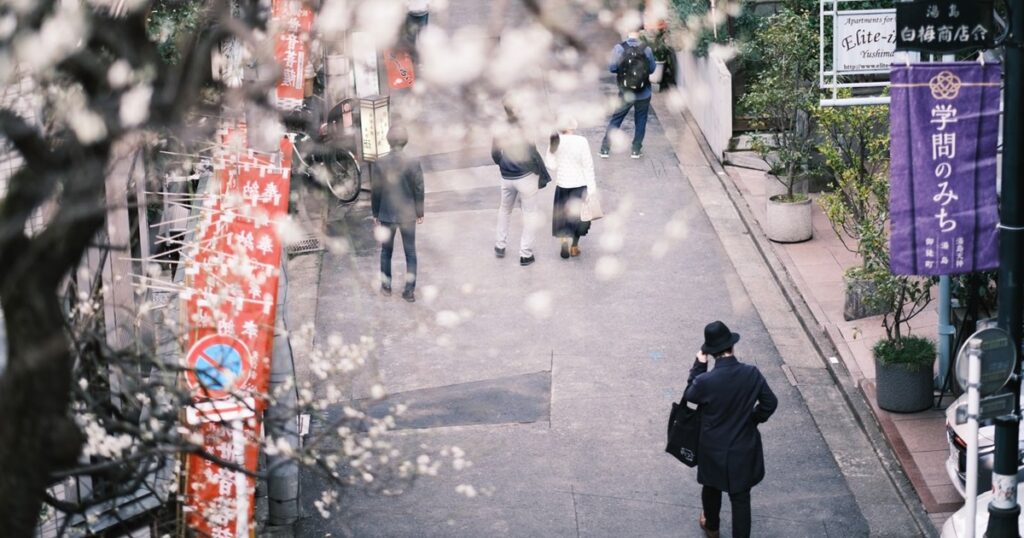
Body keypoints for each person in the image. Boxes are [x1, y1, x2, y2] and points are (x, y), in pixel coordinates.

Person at [683, 321, 778, 538]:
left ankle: (712, 527)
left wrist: (699, 365)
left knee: (711, 487)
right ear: (732, 347)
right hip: (742, 447)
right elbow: (770, 403)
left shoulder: (705, 381)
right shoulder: (751, 373)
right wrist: (753, 419)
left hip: (712, 447)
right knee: (741, 499)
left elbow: (690, 394)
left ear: (711, 352)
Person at [492, 102, 552, 266]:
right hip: (525, 176)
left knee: (505, 209)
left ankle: (500, 245)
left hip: (506, 175)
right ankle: (525, 253)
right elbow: (532, 152)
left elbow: (495, 153)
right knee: (530, 213)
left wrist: (504, 164)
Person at [372, 126, 424, 302]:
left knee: (386, 252)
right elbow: (419, 188)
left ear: (388, 140)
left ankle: (386, 287)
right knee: (410, 252)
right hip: (408, 214)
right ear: (406, 140)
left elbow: (376, 191)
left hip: (386, 214)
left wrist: (375, 212)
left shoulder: (379, 163)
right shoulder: (413, 161)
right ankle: (409, 291)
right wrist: (419, 211)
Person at [599, 28, 656, 159]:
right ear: (640, 32)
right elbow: (652, 69)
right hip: (644, 92)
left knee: (616, 119)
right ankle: (636, 150)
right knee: (641, 120)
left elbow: (612, 68)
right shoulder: (646, 49)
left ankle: (605, 149)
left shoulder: (619, 48)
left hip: (625, 92)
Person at [545, 115, 596, 259]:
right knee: (578, 218)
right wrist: (592, 189)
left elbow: (552, 165)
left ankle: (563, 244)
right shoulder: (582, 141)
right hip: (580, 185)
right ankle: (574, 246)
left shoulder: (555, 140)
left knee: (563, 217)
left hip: (563, 185)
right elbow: (588, 166)